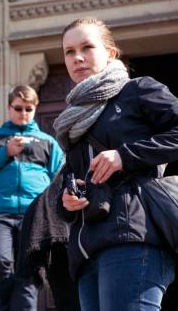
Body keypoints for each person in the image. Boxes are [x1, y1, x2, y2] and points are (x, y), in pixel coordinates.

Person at [53, 17, 178, 311]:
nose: (77, 57)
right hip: (87, 249)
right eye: (69, 51)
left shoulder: (137, 91)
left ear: (111, 54)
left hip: (134, 235)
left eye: (87, 47)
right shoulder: (71, 119)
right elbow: (71, 179)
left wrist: (125, 155)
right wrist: (66, 200)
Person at [0, 85, 64, 311]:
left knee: (29, 272)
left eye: (28, 109)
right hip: (0, 212)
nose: (23, 114)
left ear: (35, 109)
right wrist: (5, 153)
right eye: (18, 108)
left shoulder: (48, 142)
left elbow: (59, 178)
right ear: (9, 107)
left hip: (35, 215)